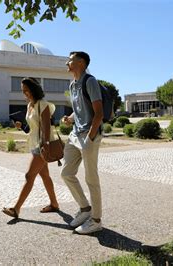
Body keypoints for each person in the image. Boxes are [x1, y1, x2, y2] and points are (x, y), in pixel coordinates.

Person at [2, 77, 60, 218]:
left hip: (42, 145)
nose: (24, 93)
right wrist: (21, 127)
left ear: (33, 89)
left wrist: (45, 145)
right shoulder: (30, 106)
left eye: (26, 90)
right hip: (34, 144)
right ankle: (54, 204)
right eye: (23, 91)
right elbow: (32, 129)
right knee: (45, 175)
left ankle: (16, 209)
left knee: (29, 176)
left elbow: (46, 128)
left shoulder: (43, 105)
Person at [61, 51, 104, 234]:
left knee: (91, 179)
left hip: (89, 135)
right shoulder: (72, 85)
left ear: (80, 62)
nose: (66, 63)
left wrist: (90, 138)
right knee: (66, 173)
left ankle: (96, 220)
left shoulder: (90, 81)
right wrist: (70, 118)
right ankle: (85, 209)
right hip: (75, 134)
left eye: (70, 60)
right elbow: (79, 109)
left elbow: (99, 113)